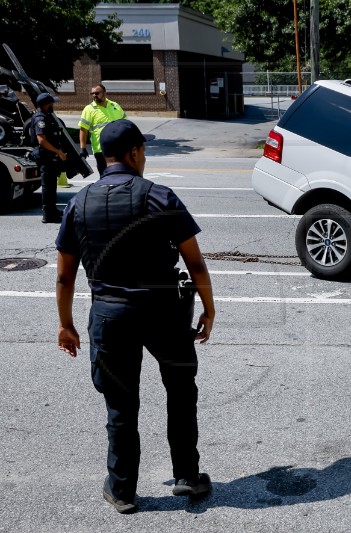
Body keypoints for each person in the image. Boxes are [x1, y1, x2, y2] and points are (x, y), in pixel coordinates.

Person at [55, 119, 216, 514]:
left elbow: (64, 274)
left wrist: (66, 323)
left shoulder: (79, 203)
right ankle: (187, 477)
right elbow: (195, 263)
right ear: (134, 153)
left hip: (110, 317)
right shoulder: (160, 197)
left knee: (121, 406)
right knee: (181, 392)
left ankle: (123, 490)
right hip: (164, 312)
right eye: (142, 150)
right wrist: (210, 309)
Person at [31, 93, 68, 223]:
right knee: (47, 186)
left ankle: (52, 210)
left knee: (52, 185)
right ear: (47, 104)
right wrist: (58, 152)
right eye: (52, 103)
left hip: (49, 156)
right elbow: (42, 140)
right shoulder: (40, 118)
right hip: (45, 156)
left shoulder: (46, 116)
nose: (53, 105)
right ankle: (48, 215)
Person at [78, 84, 127, 175]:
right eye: (92, 93)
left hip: (118, 147)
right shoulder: (89, 109)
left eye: (97, 93)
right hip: (101, 150)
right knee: (105, 176)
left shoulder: (115, 106)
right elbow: (83, 129)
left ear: (104, 93)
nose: (94, 95)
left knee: (120, 175)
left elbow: (125, 124)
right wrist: (83, 148)